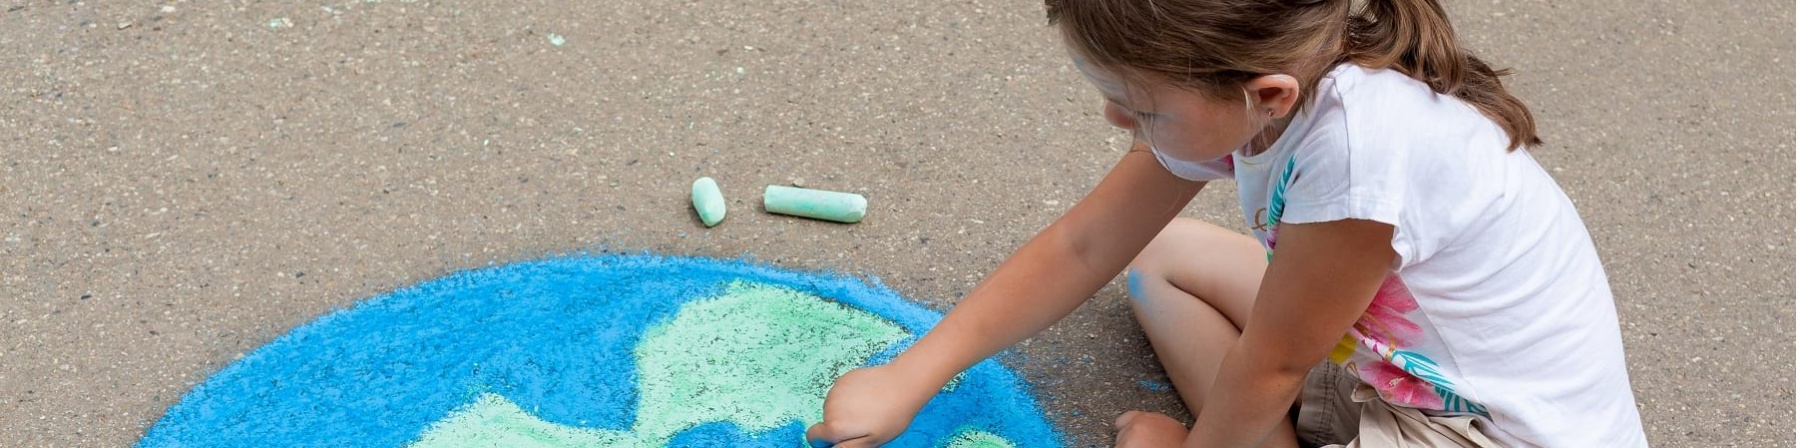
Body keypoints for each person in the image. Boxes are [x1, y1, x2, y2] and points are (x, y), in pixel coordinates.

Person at [806, 0, 1647, 446]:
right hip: (1398, 363)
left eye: (1139, 108)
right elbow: (1086, 242)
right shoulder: (1262, 90)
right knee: (1159, 261)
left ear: (1264, 94)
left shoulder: (1363, 158)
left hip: (1489, 432)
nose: (1113, 119)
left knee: (1256, 371)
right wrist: (913, 373)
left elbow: (1274, 367)